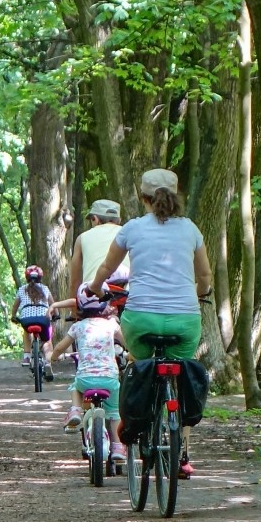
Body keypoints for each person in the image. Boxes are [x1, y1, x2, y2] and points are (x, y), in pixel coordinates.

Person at [89, 169, 210, 477]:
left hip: (140, 318)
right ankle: (181, 452)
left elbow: (107, 266)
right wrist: (199, 293)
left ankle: (134, 423)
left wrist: (94, 288)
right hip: (185, 320)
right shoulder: (191, 229)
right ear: (176, 195)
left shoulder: (132, 228)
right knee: (181, 373)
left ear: (143, 197)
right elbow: (205, 277)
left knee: (137, 363)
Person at [49, 276, 125, 472]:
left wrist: (53, 357)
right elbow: (126, 343)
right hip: (110, 379)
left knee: (75, 386)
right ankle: (117, 448)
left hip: (85, 379)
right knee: (115, 412)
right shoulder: (112, 325)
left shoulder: (77, 327)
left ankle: (75, 410)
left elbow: (59, 347)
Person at [52, 199, 128, 320]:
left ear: (95, 219)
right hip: (127, 295)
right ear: (118, 220)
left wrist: (75, 309)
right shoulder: (128, 233)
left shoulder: (82, 238)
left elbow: (75, 282)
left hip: (93, 298)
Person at [12, 266, 55, 378]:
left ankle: (26, 356)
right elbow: (52, 304)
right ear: (41, 277)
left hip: (27, 319)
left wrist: (13, 316)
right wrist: (56, 314)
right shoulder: (45, 288)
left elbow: (15, 305)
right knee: (47, 340)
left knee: (26, 331)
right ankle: (47, 362)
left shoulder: (22, 289)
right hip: (43, 318)